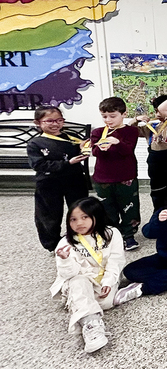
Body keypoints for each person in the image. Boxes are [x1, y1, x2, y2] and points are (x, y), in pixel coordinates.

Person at [50, 198, 125, 353]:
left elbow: (116, 261)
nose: (79, 223)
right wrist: (64, 260)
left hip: (102, 279)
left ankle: (82, 305)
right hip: (79, 279)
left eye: (85, 217)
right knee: (79, 283)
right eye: (73, 219)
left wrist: (108, 282)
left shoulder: (112, 234)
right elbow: (68, 274)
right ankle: (92, 327)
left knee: (105, 303)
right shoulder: (66, 242)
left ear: (96, 216)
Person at [28, 105, 89, 252]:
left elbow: (81, 150)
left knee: (79, 209)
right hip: (49, 183)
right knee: (49, 214)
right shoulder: (35, 143)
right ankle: (53, 244)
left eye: (59, 120)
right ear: (38, 122)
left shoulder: (70, 138)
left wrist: (84, 147)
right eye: (50, 121)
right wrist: (68, 163)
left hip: (74, 179)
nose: (55, 124)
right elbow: (39, 164)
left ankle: (81, 237)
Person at [90, 97, 141, 251]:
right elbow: (94, 152)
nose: (108, 120)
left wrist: (117, 143)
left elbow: (128, 150)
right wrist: (101, 148)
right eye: (104, 116)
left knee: (129, 207)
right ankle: (111, 234)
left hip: (126, 177)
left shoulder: (131, 131)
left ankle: (129, 235)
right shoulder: (98, 132)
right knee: (107, 208)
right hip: (103, 178)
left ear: (124, 114)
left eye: (113, 116)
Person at [135, 95, 167, 211]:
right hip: (155, 165)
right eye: (156, 111)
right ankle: (158, 213)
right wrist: (135, 120)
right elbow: (130, 131)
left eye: (162, 111)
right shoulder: (151, 126)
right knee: (157, 192)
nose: (158, 115)